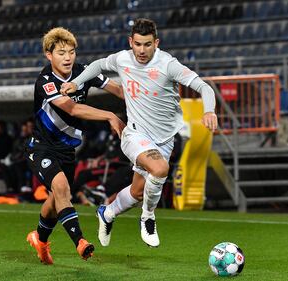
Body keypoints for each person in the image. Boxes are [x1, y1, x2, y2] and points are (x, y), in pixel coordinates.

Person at [60, 18, 218, 248]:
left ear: (156, 42)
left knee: (137, 191)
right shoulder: (123, 58)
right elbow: (97, 65)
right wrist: (76, 82)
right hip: (134, 133)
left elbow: (204, 87)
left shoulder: (168, 65)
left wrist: (209, 110)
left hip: (164, 139)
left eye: (147, 44)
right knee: (160, 169)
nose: (142, 50)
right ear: (130, 42)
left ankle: (107, 212)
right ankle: (148, 218)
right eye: (137, 44)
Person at [25, 27, 125, 265]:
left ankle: (39, 238)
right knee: (60, 188)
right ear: (49, 55)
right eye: (61, 52)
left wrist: (148, 96)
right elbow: (72, 108)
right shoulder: (46, 81)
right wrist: (110, 115)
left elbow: (119, 90)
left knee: (56, 199)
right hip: (41, 148)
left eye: (71, 52)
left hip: (67, 151)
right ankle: (80, 241)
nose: (68, 57)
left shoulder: (84, 72)